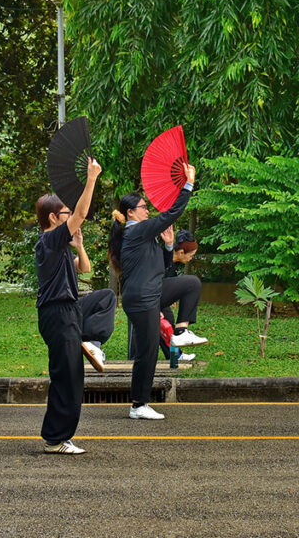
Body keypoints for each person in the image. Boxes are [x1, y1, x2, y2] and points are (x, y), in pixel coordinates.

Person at [109, 165, 197, 421]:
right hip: (141, 299)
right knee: (147, 351)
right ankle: (138, 405)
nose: (148, 210)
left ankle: (180, 331)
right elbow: (171, 213)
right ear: (131, 213)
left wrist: (169, 245)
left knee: (191, 283)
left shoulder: (145, 235)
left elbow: (165, 268)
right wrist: (187, 185)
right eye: (144, 207)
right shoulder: (136, 230)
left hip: (152, 292)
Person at [34, 158, 102, 455]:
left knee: (106, 299)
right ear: (53, 218)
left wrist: (80, 246)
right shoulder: (48, 242)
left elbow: (84, 270)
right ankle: (54, 439)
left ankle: (94, 340)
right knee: (68, 378)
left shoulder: (60, 246)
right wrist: (91, 178)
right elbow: (83, 212)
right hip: (57, 314)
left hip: (69, 311)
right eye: (66, 213)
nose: (71, 215)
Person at [159, 228, 205, 361]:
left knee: (168, 322)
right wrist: (155, 307)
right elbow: (151, 283)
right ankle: (181, 332)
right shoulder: (162, 258)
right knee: (193, 283)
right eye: (190, 255)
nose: (191, 259)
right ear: (180, 252)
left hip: (158, 296)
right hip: (149, 296)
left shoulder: (175, 263)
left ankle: (174, 356)